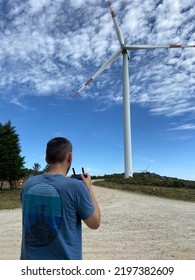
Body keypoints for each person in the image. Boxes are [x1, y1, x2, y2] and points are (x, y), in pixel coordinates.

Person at [20, 137, 100, 260]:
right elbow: (95, 223)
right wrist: (88, 187)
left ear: (46, 159)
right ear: (70, 157)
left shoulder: (28, 184)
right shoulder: (76, 187)